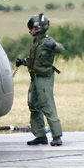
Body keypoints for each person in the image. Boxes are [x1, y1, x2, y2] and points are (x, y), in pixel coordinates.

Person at [15, 13, 65, 146]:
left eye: (32, 27)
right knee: (34, 106)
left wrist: (54, 46)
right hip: (35, 78)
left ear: (39, 28)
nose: (30, 30)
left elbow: (60, 48)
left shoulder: (47, 41)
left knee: (47, 105)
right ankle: (40, 135)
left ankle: (57, 135)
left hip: (44, 79)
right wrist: (24, 62)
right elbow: (36, 60)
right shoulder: (36, 43)